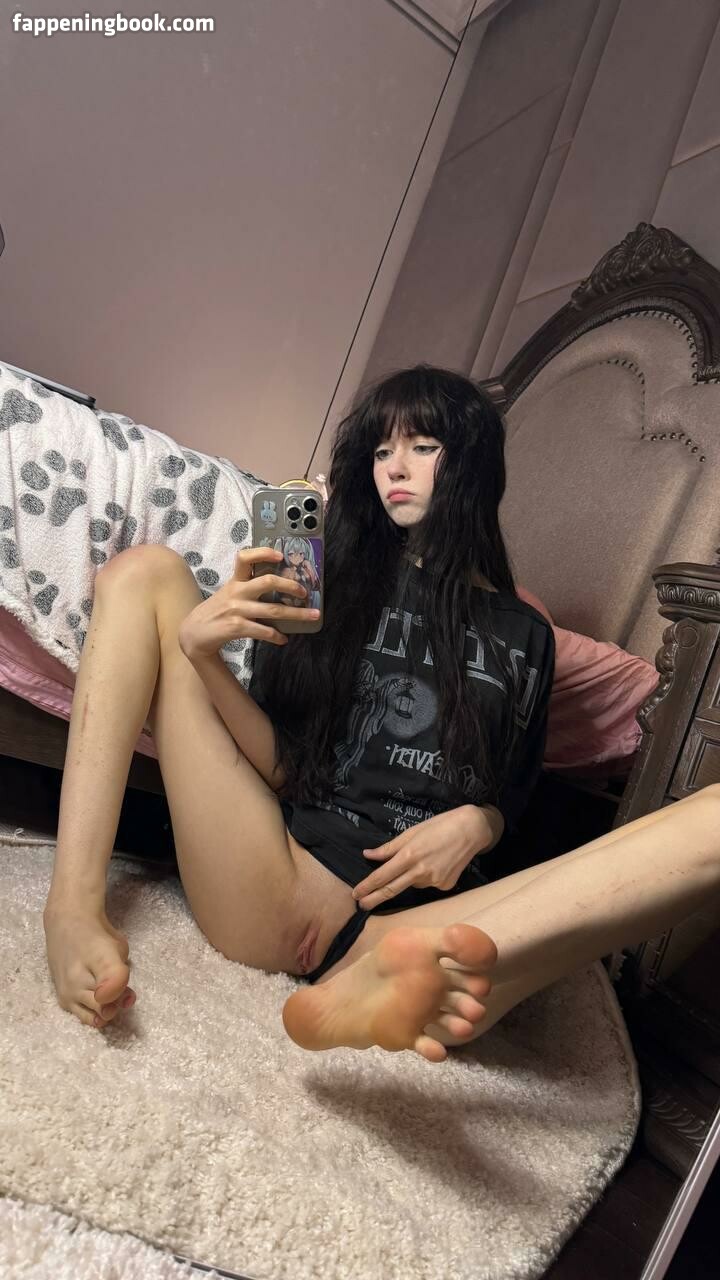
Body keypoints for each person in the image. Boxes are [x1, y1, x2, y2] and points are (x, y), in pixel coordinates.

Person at [43, 365, 720, 1064]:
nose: (395, 467)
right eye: (381, 450)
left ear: (473, 464)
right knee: (144, 572)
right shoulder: (331, 580)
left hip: (413, 929)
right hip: (277, 876)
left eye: (423, 446)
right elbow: (284, 768)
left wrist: (483, 823)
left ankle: (378, 987)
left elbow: (513, 796)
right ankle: (72, 909)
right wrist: (202, 657)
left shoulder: (527, 635)